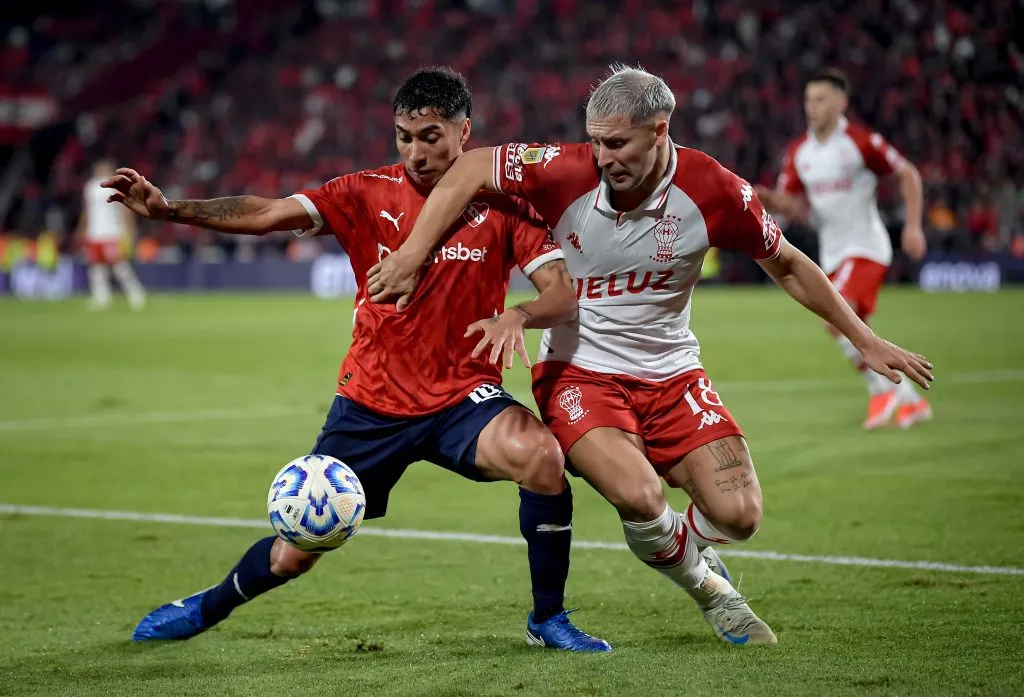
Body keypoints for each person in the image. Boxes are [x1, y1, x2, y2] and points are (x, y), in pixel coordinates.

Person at [366, 65, 934, 646]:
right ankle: (712, 591)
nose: (602, 156)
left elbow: (787, 263)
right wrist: (413, 254)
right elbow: (469, 165)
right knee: (642, 497)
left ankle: (675, 545)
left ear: (659, 131)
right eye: (594, 141)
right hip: (578, 371)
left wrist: (866, 340)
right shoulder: (564, 170)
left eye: (616, 143)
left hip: (673, 372)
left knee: (741, 516)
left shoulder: (714, 189)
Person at [103, 67, 609, 652]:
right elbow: (266, 214)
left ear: (464, 132)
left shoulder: (502, 206)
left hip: (460, 400)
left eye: (431, 137)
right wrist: (172, 211)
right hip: (370, 404)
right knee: (295, 554)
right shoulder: (365, 192)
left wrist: (518, 314)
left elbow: (562, 294)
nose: (416, 153)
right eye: (403, 136)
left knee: (542, 457)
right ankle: (207, 605)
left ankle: (548, 619)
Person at [755, 68, 932, 430]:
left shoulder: (860, 141)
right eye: (808, 100)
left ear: (841, 102)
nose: (812, 107)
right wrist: (771, 199)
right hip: (832, 253)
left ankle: (880, 391)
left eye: (820, 99)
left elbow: (908, 173)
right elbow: (794, 206)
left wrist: (913, 225)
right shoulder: (799, 153)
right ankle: (910, 402)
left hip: (866, 247)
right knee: (853, 326)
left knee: (836, 319)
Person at [78, 159, 147, 310]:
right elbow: (86, 211)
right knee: (96, 267)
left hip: (112, 233)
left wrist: (129, 229)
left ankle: (136, 293)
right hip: (94, 233)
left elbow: (125, 209)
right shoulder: (90, 187)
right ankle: (101, 297)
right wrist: (83, 230)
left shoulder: (117, 185)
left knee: (118, 265)